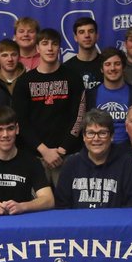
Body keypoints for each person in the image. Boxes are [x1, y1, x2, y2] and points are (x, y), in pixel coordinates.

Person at [11, 28, 86, 186]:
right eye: (45, 44)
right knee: (36, 206)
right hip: (35, 157)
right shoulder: (24, 82)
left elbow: (79, 116)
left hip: (67, 155)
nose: (50, 48)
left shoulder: (73, 78)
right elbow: (20, 121)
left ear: (60, 48)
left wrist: (62, 149)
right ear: (38, 48)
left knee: (67, 207)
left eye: (54, 44)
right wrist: (44, 150)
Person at [55, 109, 132, 209]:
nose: (96, 138)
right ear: (84, 137)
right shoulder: (71, 164)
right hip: (78, 223)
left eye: (102, 133)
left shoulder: (126, 164)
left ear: (112, 136)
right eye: (90, 133)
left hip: (115, 223)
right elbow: (62, 205)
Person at [87, 48, 132, 144]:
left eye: (117, 64)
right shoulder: (90, 95)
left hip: (129, 151)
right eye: (108, 64)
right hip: (98, 150)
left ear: (123, 67)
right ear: (101, 69)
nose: (112, 68)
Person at [63, 16, 102, 91]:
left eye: (91, 31)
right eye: (81, 32)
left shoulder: (107, 64)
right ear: (75, 37)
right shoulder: (66, 68)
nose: (87, 35)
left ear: (97, 36)